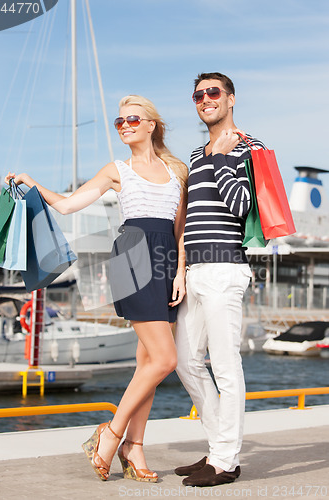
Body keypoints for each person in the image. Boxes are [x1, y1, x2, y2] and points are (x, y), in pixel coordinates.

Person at [5, 95, 188, 482]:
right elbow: (70, 206)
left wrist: (181, 271)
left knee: (148, 365)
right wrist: (33, 183)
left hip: (167, 261)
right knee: (164, 360)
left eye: (132, 119)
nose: (124, 126)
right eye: (119, 122)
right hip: (132, 257)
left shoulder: (177, 170)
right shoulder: (116, 170)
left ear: (152, 124)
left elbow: (180, 229)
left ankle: (134, 450)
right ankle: (111, 434)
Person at [174, 72, 265, 487]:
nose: (205, 99)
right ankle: (217, 447)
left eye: (213, 92)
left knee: (226, 367)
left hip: (226, 267)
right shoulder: (197, 153)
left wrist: (221, 161)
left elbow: (243, 205)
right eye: (199, 94)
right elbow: (189, 219)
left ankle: (226, 461)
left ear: (230, 99)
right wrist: (180, 270)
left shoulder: (251, 146)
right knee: (185, 361)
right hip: (194, 271)